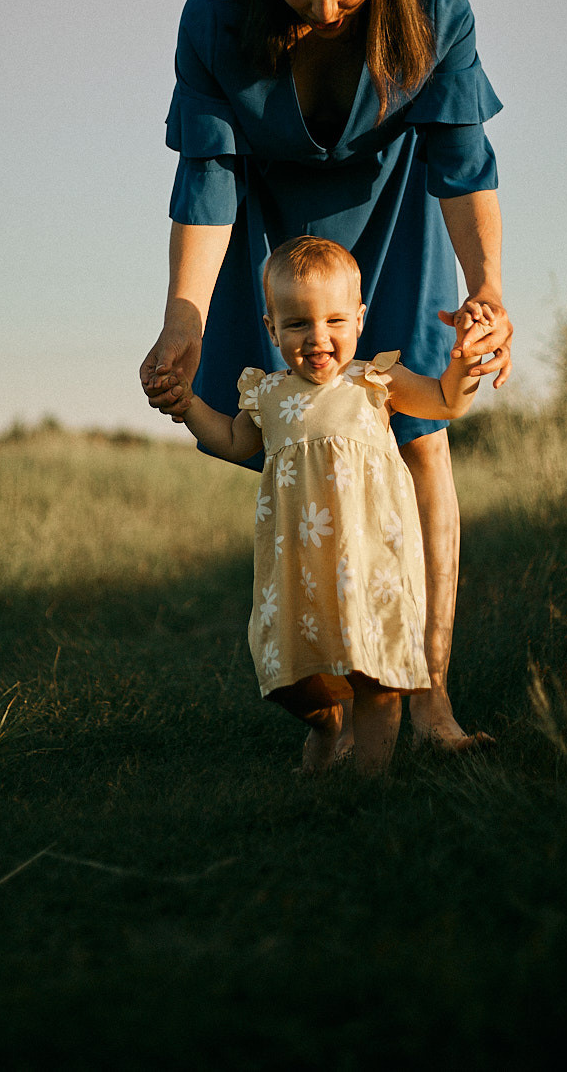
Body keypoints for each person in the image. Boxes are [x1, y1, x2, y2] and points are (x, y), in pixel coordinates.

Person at [141, 0, 513, 752]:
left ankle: (431, 701)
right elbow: (208, 175)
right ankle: (330, 688)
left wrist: (487, 290)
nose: (321, 8)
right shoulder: (219, 7)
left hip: (396, 209)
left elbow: (462, 163)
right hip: (270, 227)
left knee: (419, 436)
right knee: (296, 442)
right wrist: (182, 319)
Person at [163, 237, 506, 773]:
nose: (318, 338)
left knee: (377, 675)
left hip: (372, 560)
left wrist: (463, 365)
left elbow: (444, 402)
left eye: (335, 321)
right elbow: (232, 441)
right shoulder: (268, 394)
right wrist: (188, 407)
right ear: (271, 327)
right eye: (297, 324)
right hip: (298, 565)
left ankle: (369, 787)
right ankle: (324, 724)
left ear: (360, 319)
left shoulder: (377, 379)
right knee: (292, 674)